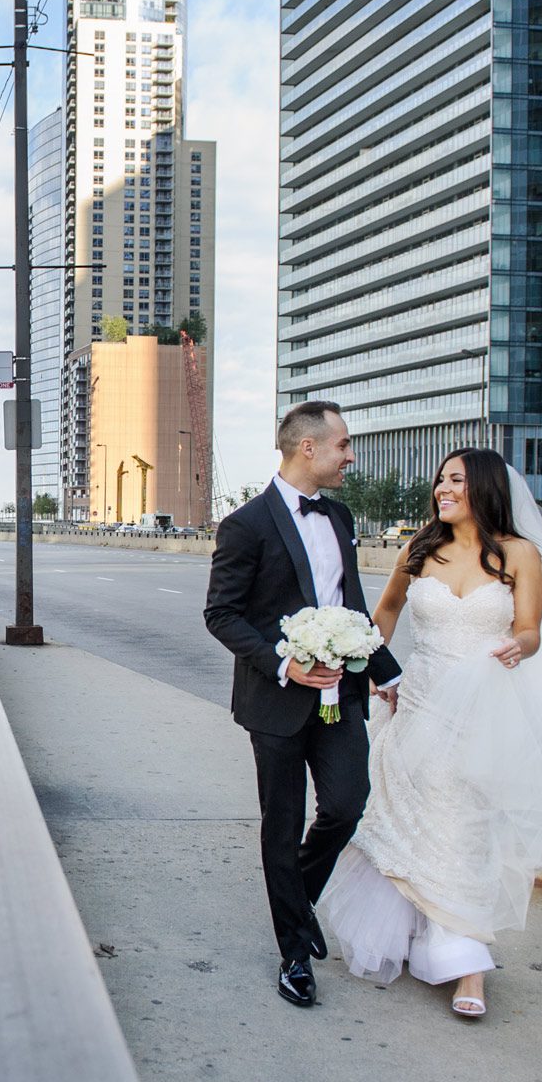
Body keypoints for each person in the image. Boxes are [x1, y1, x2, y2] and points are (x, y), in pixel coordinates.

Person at [319, 448, 542, 1018]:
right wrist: (370, 665)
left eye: (456, 481)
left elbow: (530, 630)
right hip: (419, 701)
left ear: (486, 489)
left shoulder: (520, 554)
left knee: (465, 825)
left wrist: (517, 646)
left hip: (481, 708)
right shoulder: (419, 549)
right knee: (411, 818)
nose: (443, 489)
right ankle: (413, 937)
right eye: (440, 480)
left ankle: (467, 965)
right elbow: (387, 612)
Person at [203, 401, 403, 1008]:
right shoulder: (245, 525)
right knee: (282, 823)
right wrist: (287, 664)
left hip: (342, 691)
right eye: (343, 445)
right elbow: (221, 615)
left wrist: (386, 671)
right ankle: (294, 950)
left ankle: (298, 906)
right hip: (276, 699)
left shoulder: (339, 515)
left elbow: (353, 601)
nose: (350, 456)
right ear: (307, 448)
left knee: (346, 805)